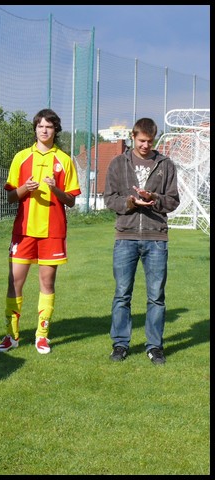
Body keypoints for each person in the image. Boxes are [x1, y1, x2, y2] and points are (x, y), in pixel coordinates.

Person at [0, 108, 81, 355]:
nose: (44, 130)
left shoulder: (64, 160)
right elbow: (10, 197)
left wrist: (55, 190)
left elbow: (71, 201)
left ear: (55, 130)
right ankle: (11, 337)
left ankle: (42, 336)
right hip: (23, 231)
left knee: (47, 283)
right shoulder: (21, 157)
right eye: (40, 126)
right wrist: (25, 188)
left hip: (53, 232)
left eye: (49, 127)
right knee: (14, 282)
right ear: (35, 129)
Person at [104, 117, 180, 365]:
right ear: (133, 137)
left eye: (150, 141)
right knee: (122, 294)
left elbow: (173, 201)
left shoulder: (166, 165)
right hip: (125, 236)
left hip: (156, 238)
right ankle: (120, 344)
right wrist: (130, 202)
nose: (146, 145)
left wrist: (154, 198)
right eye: (141, 141)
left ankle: (154, 346)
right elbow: (109, 199)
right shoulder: (118, 163)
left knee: (156, 296)